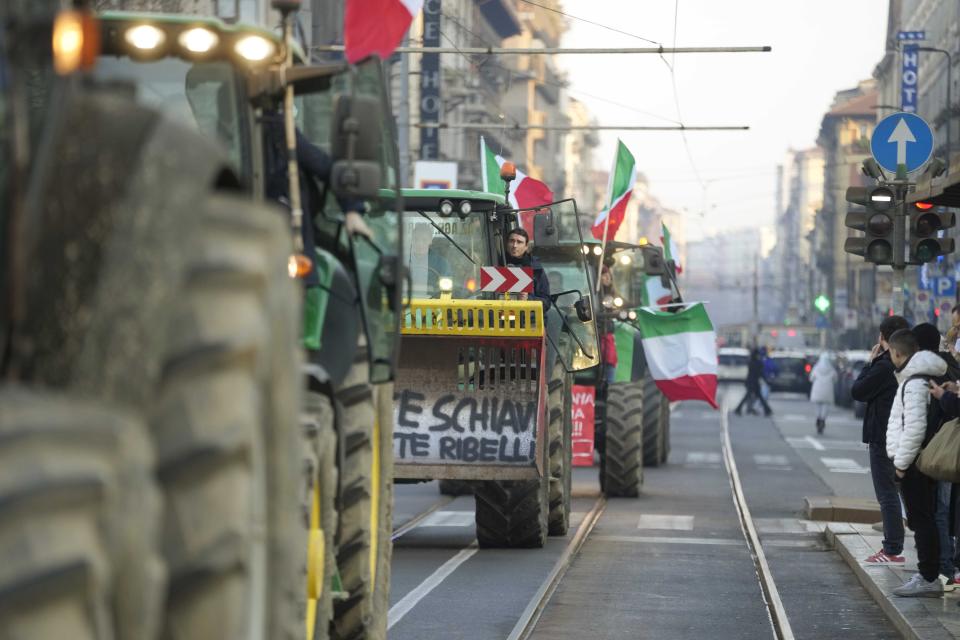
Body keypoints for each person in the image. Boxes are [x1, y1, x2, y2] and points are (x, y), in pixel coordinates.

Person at [885, 328, 946, 598]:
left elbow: (914, 428)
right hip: (916, 461)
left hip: (914, 464)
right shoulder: (918, 379)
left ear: (897, 353)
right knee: (923, 519)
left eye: (890, 353)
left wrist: (900, 465)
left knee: (922, 520)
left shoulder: (914, 383)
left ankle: (929, 577)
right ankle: (928, 574)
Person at [854, 315, 909, 565]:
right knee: (903, 493)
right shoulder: (911, 363)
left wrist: (870, 362)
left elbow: (858, 391)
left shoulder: (884, 365)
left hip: (884, 437)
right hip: (906, 436)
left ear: (883, 338)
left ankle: (892, 548)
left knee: (887, 493)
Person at [914, 322, 960, 588]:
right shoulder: (948, 368)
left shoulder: (933, 371)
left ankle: (943, 567)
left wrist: (945, 396)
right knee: (943, 511)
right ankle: (946, 565)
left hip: (940, 449)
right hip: (944, 449)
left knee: (939, 511)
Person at [504, 228, 550, 309]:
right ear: (506, 243)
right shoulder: (493, 262)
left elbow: (546, 303)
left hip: (529, 319)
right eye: (512, 241)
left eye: (519, 242)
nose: (515, 245)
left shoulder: (536, 269)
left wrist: (528, 299)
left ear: (526, 246)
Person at [734, 348, 772, 417]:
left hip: (750, 382)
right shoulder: (759, 363)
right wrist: (767, 381)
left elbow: (750, 374)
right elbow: (761, 374)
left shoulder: (751, 362)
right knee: (758, 397)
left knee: (750, 396)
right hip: (755, 383)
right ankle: (767, 410)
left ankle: (738, 409)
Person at [598, 265, 619, 385]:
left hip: (605, 334)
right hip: (594, 333)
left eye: (608, 276)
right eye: (604, 275)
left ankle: (610, 387)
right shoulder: (593, 292)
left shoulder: (611, 295)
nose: (606, 278)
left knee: (609, 360)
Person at [809, 353, 837, 434]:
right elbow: (835, 379)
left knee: (817, 406)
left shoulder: (816, 368)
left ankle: (818, 418)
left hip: (817, 390)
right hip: (827, 391)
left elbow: (811, 378)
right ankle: (823, 419)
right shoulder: (831, 369)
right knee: (825, 406)